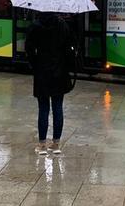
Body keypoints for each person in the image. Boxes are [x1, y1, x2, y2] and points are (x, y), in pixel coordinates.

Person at [26, 12, 74, 155]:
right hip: (59, 72)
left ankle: (42, 145)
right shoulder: (62, 25)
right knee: (58, 108)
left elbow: (29, 50)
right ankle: (56, 144)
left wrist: (35, 65)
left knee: (43, 108)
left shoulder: (35, 26)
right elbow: (68, 48)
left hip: (42, 72)